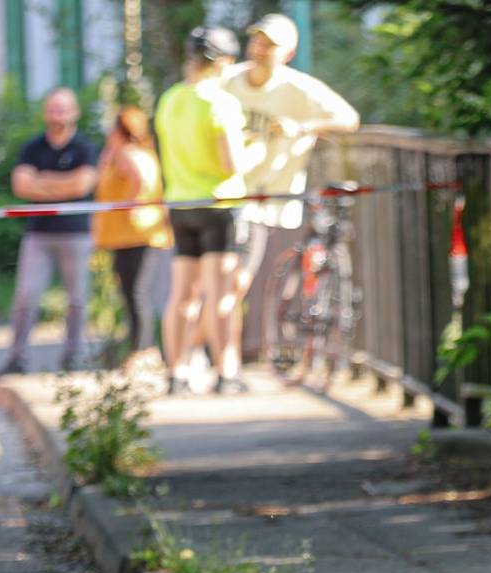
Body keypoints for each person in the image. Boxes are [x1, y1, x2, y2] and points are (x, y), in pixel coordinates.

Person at [223, 13, 361, 369]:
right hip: (236, 195)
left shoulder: (299, 87)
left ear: (288, 51)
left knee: (281, 280)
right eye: (257, 41)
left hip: (282, 197)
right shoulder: (229, 81)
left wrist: (303, 127)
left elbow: (349, 119)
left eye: (270, 44)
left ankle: (273, 348)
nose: (261, 49)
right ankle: (230, 355)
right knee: (236, 280)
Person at [155, 26, 259, 394]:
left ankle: (176, 373)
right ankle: (226, 371)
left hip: (180, 203)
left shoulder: (170, 100)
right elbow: (230, 163)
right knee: (221, 293)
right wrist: (259, 147)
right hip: (219, 204)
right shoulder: (220, 103)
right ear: (223, 62)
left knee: (182, 292)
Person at [0, 88, 98, 377]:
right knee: (26, 295)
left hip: (75, 232)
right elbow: (21, 185)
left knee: (77, 298)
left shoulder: (84, 148)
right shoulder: (33, 147)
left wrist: (43, 182)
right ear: (46, 113)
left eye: (64, 109)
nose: (58, 115)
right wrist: (62, 185)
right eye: (53, 109)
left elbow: (82, 185)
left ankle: (73, 357)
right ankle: (17, 357)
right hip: (39, 233)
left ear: (75, 112)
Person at [92, 105, 172, 369]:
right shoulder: (128, 153)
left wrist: (131, 204)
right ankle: (139, 347)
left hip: (136, 234)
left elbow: (141, 180)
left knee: (135, 293)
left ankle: (143, 349)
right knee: (131, 292)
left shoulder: (129, 154)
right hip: (128, 235)